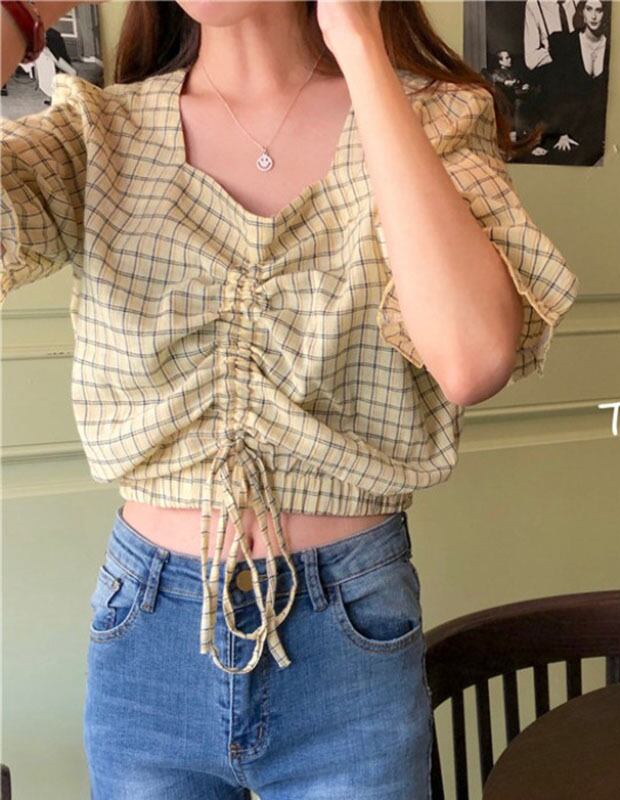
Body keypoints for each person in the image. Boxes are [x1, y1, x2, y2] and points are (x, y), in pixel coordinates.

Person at [0, 0, 579, 796]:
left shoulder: (434, 119)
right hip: (148, 639)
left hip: (349, 635)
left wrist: (359, 42)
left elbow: (472, 358)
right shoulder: (96, 133)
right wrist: (23, 10)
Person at [537, 0, 611, 165]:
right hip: (570, 130)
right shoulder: (566, 44)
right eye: (589, 9)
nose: (593, 16)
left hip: (600, 132)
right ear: (582, 13)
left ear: (605, 14)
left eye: (599, 10)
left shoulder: (612, 47)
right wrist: (562, 133)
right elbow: (555, 92)